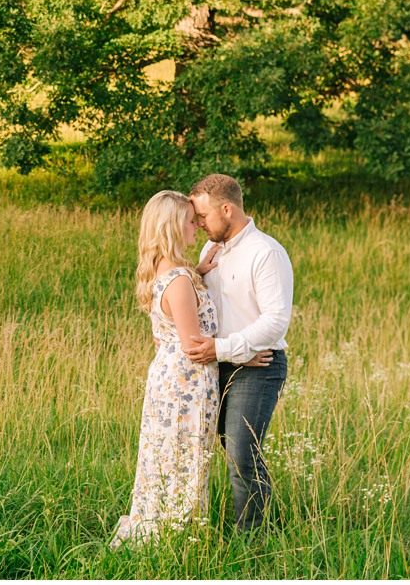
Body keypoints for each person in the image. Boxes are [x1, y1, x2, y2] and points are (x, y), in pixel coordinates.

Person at [112, 190, 272, 547]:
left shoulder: (169, 272)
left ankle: (166, 529)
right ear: (172, 227)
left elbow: (167, 333)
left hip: (169, 381)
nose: (196, 227)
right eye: (189, 221)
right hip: (185, 387)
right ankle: (172, 538)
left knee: (167, 458)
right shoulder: (179, 281)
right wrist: (244, 356)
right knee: (182, 460)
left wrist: (196, 274)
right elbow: (193, 347)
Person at [182, 173, 293, 531]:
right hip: (220, 363)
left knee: (243, 455)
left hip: (257, 367)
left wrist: (227, 349)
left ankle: (253, 539)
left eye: (203, 217)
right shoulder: (210, 250)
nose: (199, 225)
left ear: (227, 209)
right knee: (219, 448)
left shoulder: (266, 253)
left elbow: (275, 321)